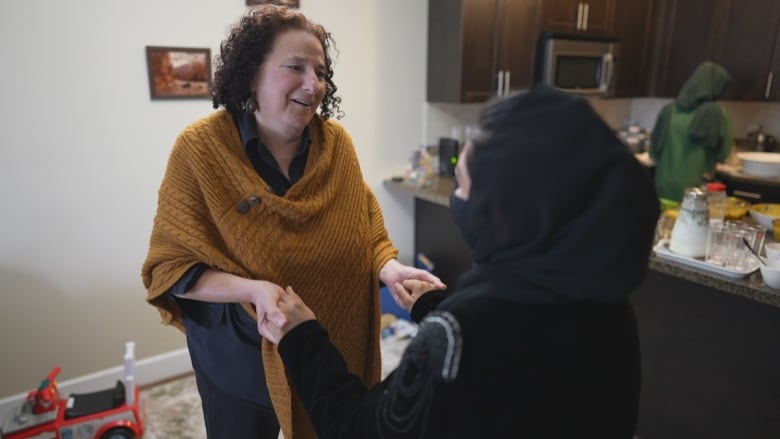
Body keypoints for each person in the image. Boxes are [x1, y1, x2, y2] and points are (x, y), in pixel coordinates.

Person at [259, 85, 661, 438]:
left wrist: (304, 338)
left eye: (464, 186)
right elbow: (510, 362)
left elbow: (363, 428)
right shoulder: (603, 297)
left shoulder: (461, 334)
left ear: (504, 211)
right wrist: (434, 307)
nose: (457, 199)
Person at [141, 5, 444, 439]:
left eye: (320, 72)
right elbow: (172, 268)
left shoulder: (336, 145)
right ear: (251, 75)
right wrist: (253, 290)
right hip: (239, 357)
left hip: (323, 347)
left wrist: (389, 268)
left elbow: (364, 231)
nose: (313, 84)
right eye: (295, 67)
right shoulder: (201, 150)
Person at [650, 61, 734, 202]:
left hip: (663, 186)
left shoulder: (669, 110)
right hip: (696, 190)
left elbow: (654, 151)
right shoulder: (717, 113)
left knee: (664, 221)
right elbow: (724, 154)